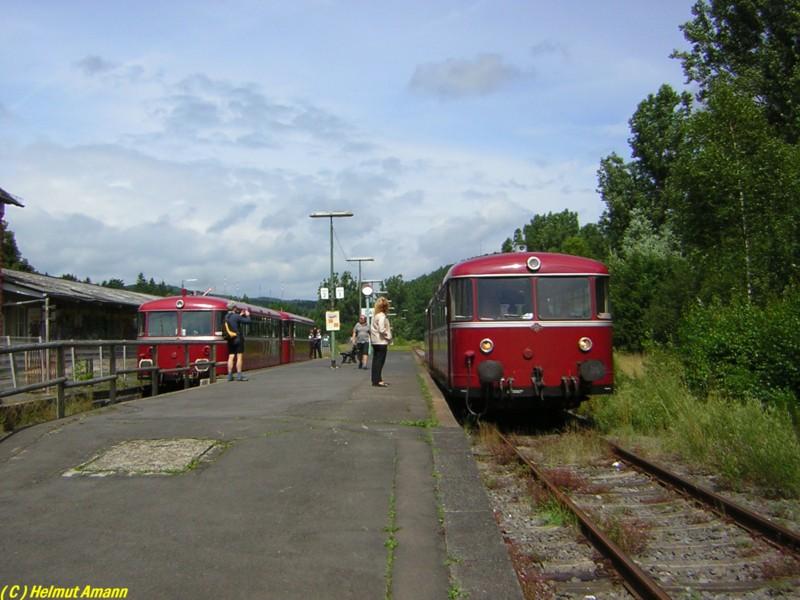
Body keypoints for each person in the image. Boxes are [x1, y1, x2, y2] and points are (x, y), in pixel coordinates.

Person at [224, 301, 251, 381]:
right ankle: (239, 375)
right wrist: (248, 315)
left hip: (230, 339)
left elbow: (233, 322)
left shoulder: (226, 317)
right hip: (238, 339)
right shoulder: (236, 316)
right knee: (239, 357)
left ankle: (229, 375)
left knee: (231, 356)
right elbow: (248, 321)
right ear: (234, 308)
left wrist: (240, 315)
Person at [369, 297, 392, 387]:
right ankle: (378, 380)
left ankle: (375, 379)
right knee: (380, 361)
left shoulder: (375, 316)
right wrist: (388, 335)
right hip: (381, 341)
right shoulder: (382, 316)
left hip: (375, 341)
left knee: (375, 361)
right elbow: (382, 329)